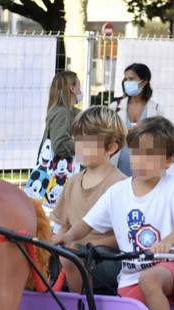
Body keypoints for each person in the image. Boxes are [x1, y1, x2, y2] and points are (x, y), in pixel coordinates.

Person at [54, 116, 174, 310]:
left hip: (172, 265)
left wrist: (166, 243)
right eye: (137, 153)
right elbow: (86, 223)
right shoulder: (117, 192)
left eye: (151, 155)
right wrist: (68, 236)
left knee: (149, 280)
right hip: (131, 272)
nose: (141, 160)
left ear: (169, 160)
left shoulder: (173, 187)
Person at [50, 106, 127, 293]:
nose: (80, 147)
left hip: (107, 261)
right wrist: (56, 239)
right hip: (72, 254)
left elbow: (124, 237)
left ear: (111, 147)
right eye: (78, 140)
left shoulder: (121, 185)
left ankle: (82, 309)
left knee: (73, 254)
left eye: (88, 142)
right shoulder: (73, 181)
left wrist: (85, 246)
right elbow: (64, 225)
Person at [24, 71, 82, 208]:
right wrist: (87, 144)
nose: (81, 89)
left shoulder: (65, 111)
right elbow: (60, 145)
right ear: (72, 88)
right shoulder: (62, 112)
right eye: (78, 85)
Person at [111, 63, 164, 175]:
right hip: (117, 169)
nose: (127, 82)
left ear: (144, 82)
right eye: (125, 79)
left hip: (146, 170)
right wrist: (123, 132)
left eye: (131, 79)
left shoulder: (157, 110)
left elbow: (161, 140)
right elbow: (104, 135)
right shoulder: (114, 107)